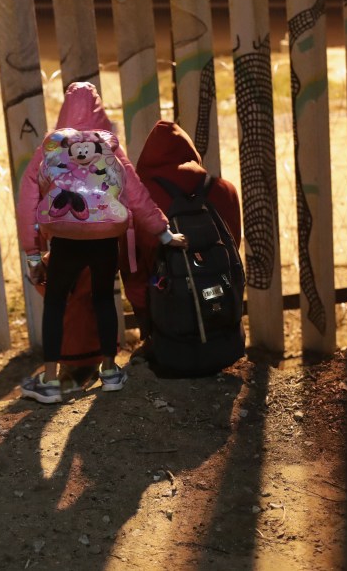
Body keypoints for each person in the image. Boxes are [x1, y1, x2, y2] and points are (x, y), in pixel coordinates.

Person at [16, 88, 188, 404]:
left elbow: (27, 201)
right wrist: (164, 233)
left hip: (65, 239)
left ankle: (51, 381)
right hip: (106, 239)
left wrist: (31, 253)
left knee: (55, 304)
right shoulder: (108, 147)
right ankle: (110, 372)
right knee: (103, 300)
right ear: (100, 111)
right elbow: (136, 194)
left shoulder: (51, 147)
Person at [121, 120, 242, 361]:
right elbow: (232, 253)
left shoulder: (137, 201)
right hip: (226, 337)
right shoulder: (224, 190)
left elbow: (133, 271)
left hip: (168, 344)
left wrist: (146, 324)